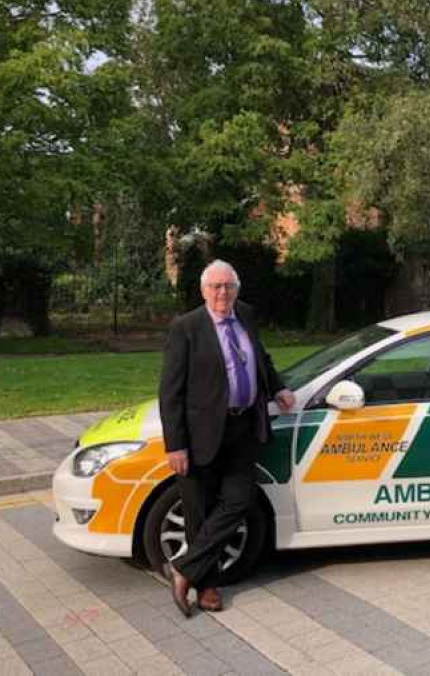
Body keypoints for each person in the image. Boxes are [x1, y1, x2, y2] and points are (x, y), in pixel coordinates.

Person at [159, 260, 296, 616]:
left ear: (237, 288)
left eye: (228, 286)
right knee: (198, 512)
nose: (222, 293)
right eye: (215, 287)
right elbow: (169, 392)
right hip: (199, 434)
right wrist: (175, 444)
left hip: (242, 427)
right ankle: (207, 587)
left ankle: (183, 567)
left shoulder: (245, 315)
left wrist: (278, 387)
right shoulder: (186, 328)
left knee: (239, 499)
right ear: (203, 291)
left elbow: (260, 358)